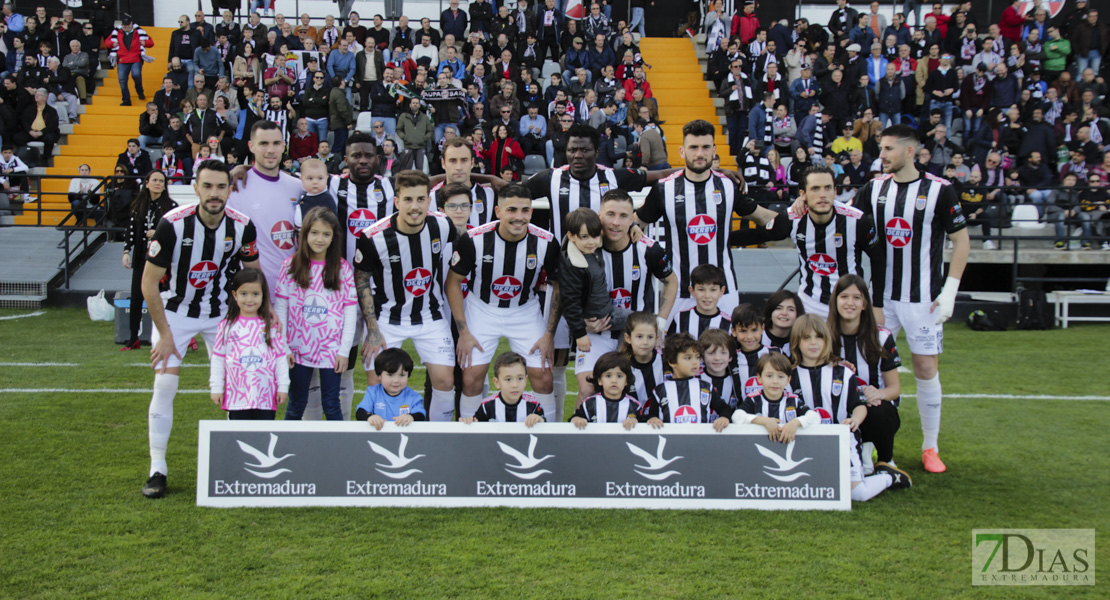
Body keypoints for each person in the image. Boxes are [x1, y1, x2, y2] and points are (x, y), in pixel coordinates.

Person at [852, 124, 969, 473]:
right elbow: (844, 219)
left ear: (909, 151)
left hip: (923, 300)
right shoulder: (873, 189)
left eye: (888, 149)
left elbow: (961, 242)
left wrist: (949, 292)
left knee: (925, 368)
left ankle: (930, 447)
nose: (881, 155)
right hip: (880, 301)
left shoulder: (940, 190)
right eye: (881, 148)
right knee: (873, 370)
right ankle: (872, 445)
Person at [141, 160, 259, 499]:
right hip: (175, 313)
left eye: (221, 187)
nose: (214, 193)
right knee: (164, 384)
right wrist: (165, 334)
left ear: (229, 190)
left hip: (222, 313)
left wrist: (256, 319)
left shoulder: (242, 226)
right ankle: (157, 468)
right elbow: (148, 285)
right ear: (196, 188)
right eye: (207, 186)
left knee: (240, 384)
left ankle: (240, 464)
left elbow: (252, 276)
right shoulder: (171, 225)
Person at [636, 119, 779, 316]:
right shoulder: (664, 189)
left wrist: (801, 213)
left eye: (705, 147)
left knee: (723, 347)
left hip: (723, 291)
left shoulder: (729, 186)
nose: (700, 153)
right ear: (682, 151)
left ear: (714, 150)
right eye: (693, 147)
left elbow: (764, 217)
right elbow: (635, 223)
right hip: (678, 292)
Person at [446, 184, 560, 419]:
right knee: (471, 377)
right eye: (512, 210)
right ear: (498, 211)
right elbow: (452, 283)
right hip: (482, 309)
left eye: (525, 210)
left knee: (544, 376)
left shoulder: (546, 241)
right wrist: (464, 332)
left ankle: (550, 434)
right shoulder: (474, 239)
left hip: (524, 310)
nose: (519, 217)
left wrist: (549, 334)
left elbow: (558, 286)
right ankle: (472, 433)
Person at [354, 170, 459, 422]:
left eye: (421, 199)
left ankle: (436, 442)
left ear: (428, 201)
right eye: (408, 199)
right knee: (376, 382)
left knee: (445, 381)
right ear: (396, 201)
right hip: (387, 319)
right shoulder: (372, 237)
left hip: (430, 315)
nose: (415, 207)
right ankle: (381, 440)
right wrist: (372, 329)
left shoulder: (443, 225)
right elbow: (361, 281)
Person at [790, 314, 912, 501]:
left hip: (844, 442)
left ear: (827, 340)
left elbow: (859, 405)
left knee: (858, 494)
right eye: (806, 338)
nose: (813, 343)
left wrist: (855, 419)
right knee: (805, 488)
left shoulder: (843, 372)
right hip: (804, 444)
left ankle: (889, 477)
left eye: (819, 337)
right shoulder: (788, 375)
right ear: (796, 342)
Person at [276, 207, 357, 421]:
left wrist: (344, 351)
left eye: (326, 234)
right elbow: (280, 311)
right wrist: (283, 347)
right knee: (296, 403)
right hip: (297, 348)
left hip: (331, 349)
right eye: (314, 232)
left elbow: (350, 313)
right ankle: (286, 449)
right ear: (304, 234)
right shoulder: (289, 267)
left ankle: (337, 452)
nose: (319, 239)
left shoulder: (343, 269)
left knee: (331, 404)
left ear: (333, 237)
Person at [828, 274, 903, 473]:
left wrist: (878, 394)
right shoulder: (823, 335)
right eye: (844, 297)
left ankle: (886, 461)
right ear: (835, 301)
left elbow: (895, 388)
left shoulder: (881, 336)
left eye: (857, 297)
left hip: (871, 410)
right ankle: (854, 452)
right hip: (836, 409)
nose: (850, 303)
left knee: (882, 410)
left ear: (864, 304)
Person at [788, 165, 882, 318]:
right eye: (815, 189)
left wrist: (877, 304)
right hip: (810, 304)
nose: (822, 194)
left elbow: (879, 260)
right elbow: (761, 228)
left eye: (827, 188)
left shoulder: (858, 221)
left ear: (835, 191)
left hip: (849, 306)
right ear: (803, 194)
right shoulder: (794, 218)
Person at [227, 121, 303, 299]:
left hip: (295, 292)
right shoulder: (234, 188)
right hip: (253, 296)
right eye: (263, 144)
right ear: (251, 146)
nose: (271, 150)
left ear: (284, 146)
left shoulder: (297, 186)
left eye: (276, 143)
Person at [209, 268, 290, 420]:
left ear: (263, 295)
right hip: (237, 396)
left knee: (263, 439)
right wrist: (216, 387)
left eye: (255, 294)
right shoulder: (226, 326)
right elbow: (218, 359)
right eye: (244, 294)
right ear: (234, 295)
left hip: (264, 396)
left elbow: (280, 359)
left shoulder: (271, 326)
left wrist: (283, 386)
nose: (250, 300)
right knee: (239, 438)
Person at [559, 207, 631, 364]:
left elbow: (612, 230)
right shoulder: (574, 264)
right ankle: (621, 362)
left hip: (605, 309)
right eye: (584, 237)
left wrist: (634, 226)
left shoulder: (592, 247)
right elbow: (569, 302)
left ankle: (620, 359)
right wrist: (579, 333)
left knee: (637, 324)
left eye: (595, 236)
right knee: (638, 322)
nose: (591, 242)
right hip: (599, 315)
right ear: (571, 236)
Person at [121, 171, 177, 350]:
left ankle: (173, 336)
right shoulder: (138, 205)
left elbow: (178, 231)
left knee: (166, 298)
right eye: (154, 180)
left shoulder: (171, 206)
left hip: (162, 261)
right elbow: (130, 230)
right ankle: (133, 337)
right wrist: (126, 251)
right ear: (147, 183)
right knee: (136, 297)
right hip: (141, 258)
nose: (158, 183)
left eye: (161, 181)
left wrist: (158, 233)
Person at [710, 353, 816, 440]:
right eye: (769, 376)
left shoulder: (793, 400)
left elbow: (815, 417)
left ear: (788, 380)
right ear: (759, 378)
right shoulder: (754, 398)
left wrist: (795, 423)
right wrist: (764, 421)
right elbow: (736, 416)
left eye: (780, 376)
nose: (775, 381)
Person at [639, 333, 714, 425]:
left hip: (701, 439)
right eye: (688, 358)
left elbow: (724, 409)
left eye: (697, 357)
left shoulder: (706, 387)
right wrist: (653, 419)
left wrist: (723, 417)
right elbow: (652, 415)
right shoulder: (660, 390)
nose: (695, 362)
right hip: (670, 439)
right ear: (672, 362)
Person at [461, 352, 546, 426]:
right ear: (497, 382)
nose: (515, 385)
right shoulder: (487, 406)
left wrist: (540, 420)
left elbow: (545, 429)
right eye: (508, 379)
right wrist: (469, 422)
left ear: (526, 380)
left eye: (520, 378)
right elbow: (476, 428)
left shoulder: (534, 405)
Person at [355, 348, 426, 430]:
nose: (396, 380)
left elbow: (421, 415)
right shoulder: (373, 392)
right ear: (379, 376)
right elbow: (360, 411)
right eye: (390, 375)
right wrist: (370, 417)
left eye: (402, 375)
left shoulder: (413, 396)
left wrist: (410, 417)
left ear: (408, 375)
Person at [571, 351, 642, 430]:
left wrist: (637, 421)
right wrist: (576, 419)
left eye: (619, 376)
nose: (614, 380)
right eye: (608, 376)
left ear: (626, 381)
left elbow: (645, 425)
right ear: (599, 380)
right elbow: (575, 419)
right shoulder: (589, 404)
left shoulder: (634, 406)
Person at [668, 264, 732, 339]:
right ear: (692, 291)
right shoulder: (680, 318)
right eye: (701, 289)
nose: (707, 296)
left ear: (721, 291)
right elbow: (669, 347)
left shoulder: (728, 323)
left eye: (713, 290)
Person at [728, 303, 775, 400]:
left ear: (762, 329)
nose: (749, 337)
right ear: (733, 331)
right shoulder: (731, 358)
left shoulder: (775, 353)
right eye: (743, 331)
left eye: (754, 330)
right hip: (742, 413)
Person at [107, 16, 154, 107]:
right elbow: (107, 42)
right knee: (122, 80)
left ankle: (139, 90)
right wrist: (112, 44)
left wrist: (145, 43)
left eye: (128, 26)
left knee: (136, 75)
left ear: (131, 24)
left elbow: (151, 42)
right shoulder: (117, 32)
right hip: (122, 59)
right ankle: (126, 99)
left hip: (136, 58)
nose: (126, 28)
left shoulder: (139, 31)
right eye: (124, 26)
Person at [698, 328, 739, 415]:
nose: (717, 358)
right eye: (711, 353)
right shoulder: (696, 380)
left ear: (730, 356)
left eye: (723, 353)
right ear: (702, 357)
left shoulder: (736, 381)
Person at [762, 289, 803, 355]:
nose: (784, 313)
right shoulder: (757, 337)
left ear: (797, 315)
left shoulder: (800, 343)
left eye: (791, 309)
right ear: (770, 312)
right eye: (779, 308)